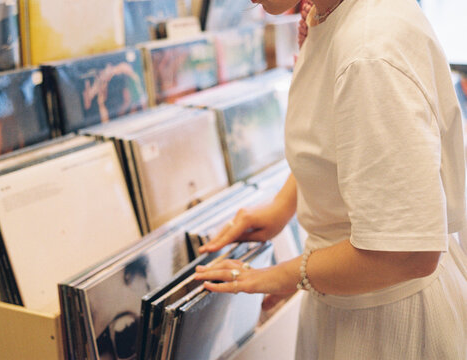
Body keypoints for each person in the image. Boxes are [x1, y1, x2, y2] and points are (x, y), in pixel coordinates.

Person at [195, 0, 467, 358]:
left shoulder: (370, 51)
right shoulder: (328, 11)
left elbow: (407, 251)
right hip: (351, 302)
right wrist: (282, 207)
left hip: (384, 326)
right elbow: (345, 138)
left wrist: (274, 276)